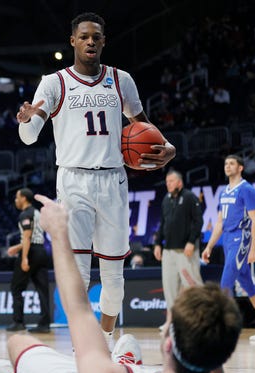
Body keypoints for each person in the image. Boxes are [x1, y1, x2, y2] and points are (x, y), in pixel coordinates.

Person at [0, 194, 254, 373]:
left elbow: (79, 309)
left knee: (18, 344)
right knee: (125, 350)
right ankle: (126, 365)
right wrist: (211, 311)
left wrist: (60, 235)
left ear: (168, 343)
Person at [16, 12, 175, 345]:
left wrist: (169, 148)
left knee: (115, 276)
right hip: (73, 181)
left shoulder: (121, 80)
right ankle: (81, 341)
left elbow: (145, 127)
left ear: (104, 41)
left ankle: (104, 339)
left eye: (96, 37)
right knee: (79, 271)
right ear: (73, 40)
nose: (90, 41)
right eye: (84, 36)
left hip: (114, 179)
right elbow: (30, 137)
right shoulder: (54, 82)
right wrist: (26, 120)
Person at [202, 155, 255, 341]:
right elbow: (219, 223)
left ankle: (223, 331)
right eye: (226, 163)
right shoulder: (224, 192)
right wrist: (209, 246)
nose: (227, 166)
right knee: (247, 283)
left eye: (232, 164)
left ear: (241, 168)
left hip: (241, 239)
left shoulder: (246, 189)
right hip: (228, 240)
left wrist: (254, 249)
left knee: (225, 284)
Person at [153, 170, 203, 329]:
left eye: (172, 181)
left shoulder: (189, 197)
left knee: (192, 285)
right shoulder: (166, 199)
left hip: (185, 251)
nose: (168, 184)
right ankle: (173, 321)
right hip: (168, 251)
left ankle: (201, 319)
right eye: (167, 181)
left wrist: (191, 242)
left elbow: (198, 221)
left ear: (180, 183)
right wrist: (157, 244)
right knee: (169, 287)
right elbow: (162, 223)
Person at [6, 188, 50, 333]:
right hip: (41, 251)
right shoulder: (37, 212)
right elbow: (34, 237)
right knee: (42, 289)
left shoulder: (25, 214)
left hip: (30, 253)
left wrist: (24, 257)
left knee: (16, 287)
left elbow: (27, 237)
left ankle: (18, 322)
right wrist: (17, 248)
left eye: (17, 197)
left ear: (24, 198)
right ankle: (44, 324)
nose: (15, 200)